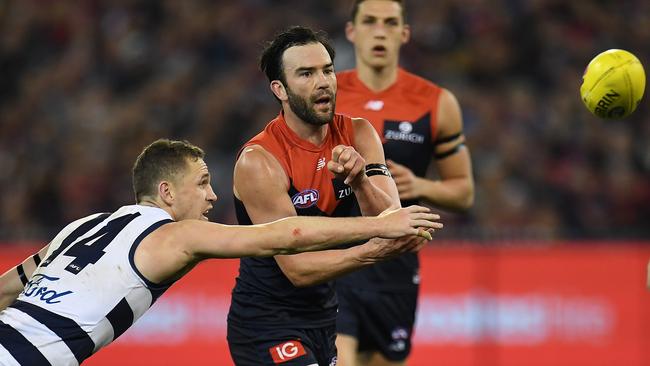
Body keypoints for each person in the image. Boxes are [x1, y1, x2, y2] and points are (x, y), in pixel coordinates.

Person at [0, 139, 442, 366]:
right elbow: (280, 237)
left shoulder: (82, 226)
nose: (212, 197)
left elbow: (6, 289)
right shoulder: (177, 236)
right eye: (203, 183)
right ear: (167, 191)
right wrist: (380, 227)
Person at [226, 26, 433, 366]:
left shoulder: (359, 133)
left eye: (327, 70)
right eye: (306, 74)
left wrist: (360, 180)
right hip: (266, 323)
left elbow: (392, 220)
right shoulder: (260, 161)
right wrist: (370, 252)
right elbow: (297, 269)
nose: (322, 82)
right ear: (280, 89)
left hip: (324, 318)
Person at [334, 1, 475, 365]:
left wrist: (420, 186)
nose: (379, 31)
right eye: (369, 21)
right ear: (352, 31)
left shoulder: (437, 102)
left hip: (396, 262)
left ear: (404, 33)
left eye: (389, 22)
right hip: (336, 254)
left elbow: (463, 192)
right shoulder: (325, 97)